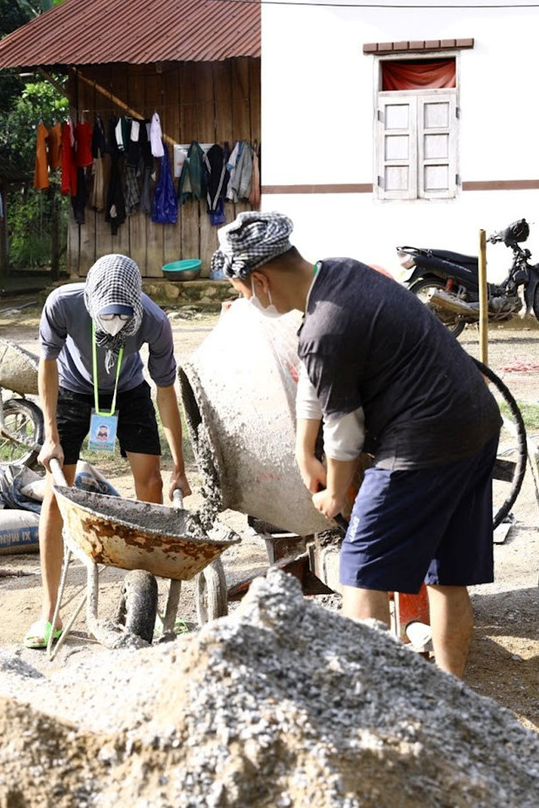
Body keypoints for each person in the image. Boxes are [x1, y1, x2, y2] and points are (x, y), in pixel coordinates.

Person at [212, 212, 501, 678]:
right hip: (477, 423)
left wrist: (334, 491)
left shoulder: (326, 324)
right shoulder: (339, 274)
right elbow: (316, 374)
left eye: (242, 292)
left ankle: (366, 704)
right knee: (448, 576)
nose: (246, 301)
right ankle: (454, 696)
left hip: (423, 443)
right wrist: (303, 450)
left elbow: (344, 434)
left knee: (362, 571)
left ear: (260, 280)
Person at [25, 253, 191, 649]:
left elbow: (165, 393)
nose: (115, 326)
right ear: (90, 303)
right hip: (73, 388)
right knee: (55, 494)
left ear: (136, 303)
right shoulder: (62, 304)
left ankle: (150, 605)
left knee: (149, 485)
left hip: (129, 389)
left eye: (123, 318)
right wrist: (50, 435)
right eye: (108, 318)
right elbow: (46, 365)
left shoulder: (155, 322)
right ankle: (50, 612)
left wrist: (180, 467)